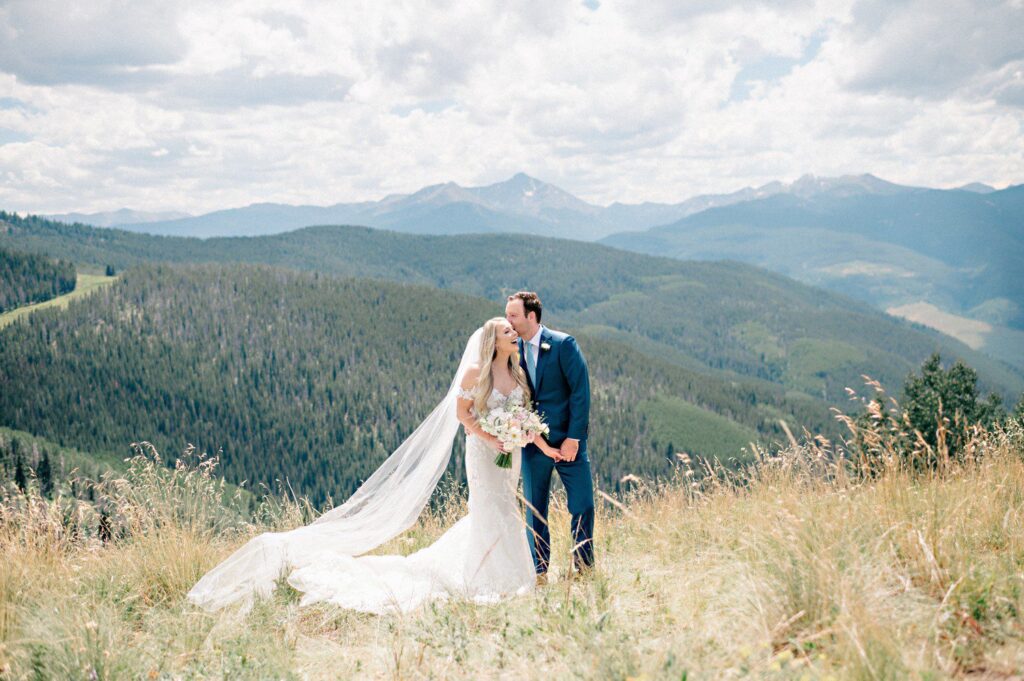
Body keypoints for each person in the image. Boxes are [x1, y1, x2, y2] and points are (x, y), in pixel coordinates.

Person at [187, 317, 552, 613]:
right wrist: (491, 437)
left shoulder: (518, 372)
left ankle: (513, 575)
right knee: (489, 507)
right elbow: (462, 414)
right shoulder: (476, 372)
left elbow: (522, 413)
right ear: (493, 339)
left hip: (510, 454)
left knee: (507, 506)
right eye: (507, 331)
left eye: (513, 329)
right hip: (484, 452)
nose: (514, 333)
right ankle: (485, 578)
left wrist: (526, 435)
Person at [505, 291, 594, 583]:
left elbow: (581, 392)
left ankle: (583, 566)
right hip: (533, 444)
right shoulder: (510, 348)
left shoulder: (563, 344)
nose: (509, 321)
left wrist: (573, 438)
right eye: (507, 315)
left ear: (531, 316)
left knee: (582, 504)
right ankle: (539, 571)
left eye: (514, 316)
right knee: (535, 510)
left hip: (568, 443)